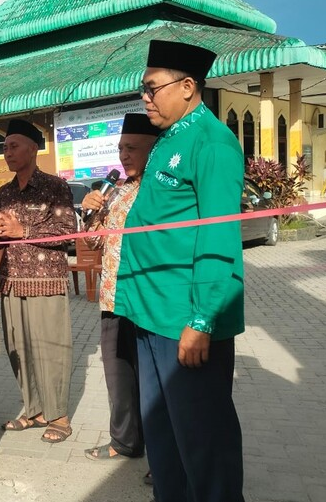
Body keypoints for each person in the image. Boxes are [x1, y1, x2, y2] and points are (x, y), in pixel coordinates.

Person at [114, 40, 245, 502]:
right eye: (143, 89)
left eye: (152, 88)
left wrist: (202, 320)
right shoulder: (170, 138)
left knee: (204, 443)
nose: (145, 98)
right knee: (164, 440)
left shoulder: (212, 143)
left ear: (188, 86)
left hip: (184, 320)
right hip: (150, 314)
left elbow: (218, 239)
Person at [0, 118, 77, 443]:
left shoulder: (55, 187)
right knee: (18, 349)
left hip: (46, 281)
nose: (7, 152)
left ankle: (59, 415)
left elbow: (68, 233)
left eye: (13, 146)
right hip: (11, 281)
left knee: (50, 349)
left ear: (33, 148)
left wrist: (22, 230)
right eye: (5, 147)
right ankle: (35, 409)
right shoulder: (4, 193)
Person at [80, 113, 161, 465]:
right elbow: (96, 243)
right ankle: (125, 441)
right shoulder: (117, 191)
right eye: (120, 148)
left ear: (153, 149)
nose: (124, 155)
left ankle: (162, 457)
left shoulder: (159, 189)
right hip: (113, 299)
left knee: (153, 381)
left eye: (132, 148)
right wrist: (89, 213)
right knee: (119, 376)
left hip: (147, 301)